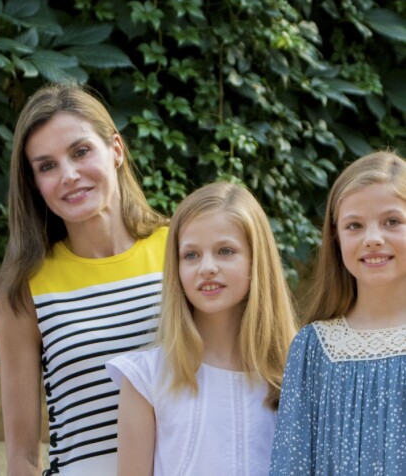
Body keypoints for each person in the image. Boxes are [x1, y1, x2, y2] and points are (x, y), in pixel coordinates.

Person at [0, 83, 169, 476]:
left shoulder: (179, 252)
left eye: (81, 151)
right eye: (46, 166)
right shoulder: (25, 289)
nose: (68, 175)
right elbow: (21, 456)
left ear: (116, 150)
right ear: (34, 183)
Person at [106, 181, 297, 475]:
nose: (206, 267)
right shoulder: (145, 378)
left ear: (257, 260)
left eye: (225, 251)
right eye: (191, 255)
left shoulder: (293, 374)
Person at [270, 150, 406, 475]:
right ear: (335, 237)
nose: (373, 239)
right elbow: (292, 465)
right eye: (354, 225)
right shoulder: (313, 349)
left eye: (392, 221)